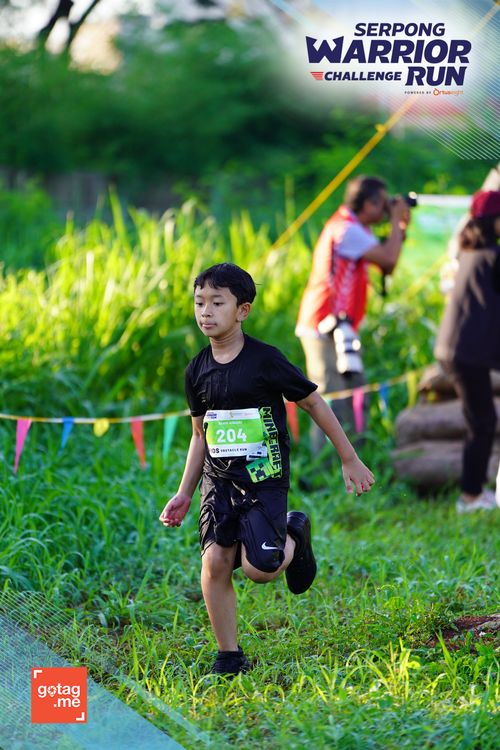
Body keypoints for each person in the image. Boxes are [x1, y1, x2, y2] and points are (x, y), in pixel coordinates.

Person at [159, 263, 374, 676]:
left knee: (261, 570)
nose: (206, 311)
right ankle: (229, 655)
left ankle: (294, 531)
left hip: (264, 476)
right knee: (215, 562)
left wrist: (349, 457)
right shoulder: (196, 370)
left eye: (217, 303)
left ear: (243, 310)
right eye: (199, 303)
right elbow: (199, 434)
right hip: (218, 480)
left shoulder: (265, 360)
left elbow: (312, 402)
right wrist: (185, 492)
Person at [295, 175, 410, 449]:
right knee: (329, 398)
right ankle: (323, 467)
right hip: (323, 325)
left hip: (342, 327)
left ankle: (351, 459)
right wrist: (396, 221)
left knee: (353, 393)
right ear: (367, 204)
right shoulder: (346, 229)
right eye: (383, 204)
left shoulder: (355, 227)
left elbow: (387, 261)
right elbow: (389, 259)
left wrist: (400, 226)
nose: (386, 210)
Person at [434, 190, 500, 514]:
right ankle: (471, 496)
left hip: (456, 349)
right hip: (466, 353)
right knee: (482, 421)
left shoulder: (472, 252)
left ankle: (473, 492)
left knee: (480, 420)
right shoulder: (493, 256)